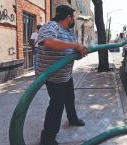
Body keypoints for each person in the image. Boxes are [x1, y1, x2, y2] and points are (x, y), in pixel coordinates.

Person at [36, 5, 88, 145]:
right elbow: (48, 42)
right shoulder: (51, 26)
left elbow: (71, 54)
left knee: (70, 97)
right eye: (73, 17)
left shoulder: (69, 33)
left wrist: (79, 53)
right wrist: (75, 46)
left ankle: (72, 118)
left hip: (66, 75)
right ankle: (47, 137)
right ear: (68, 17)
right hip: (53, 77)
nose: (74, 20)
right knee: (57, 104)